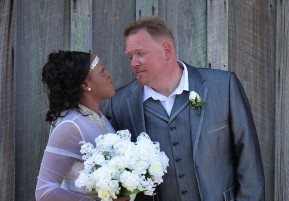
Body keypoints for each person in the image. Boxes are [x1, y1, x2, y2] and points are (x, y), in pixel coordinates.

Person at [106, 17, 265, 201]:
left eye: (140, 53)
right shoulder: (120, 104)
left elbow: (249, 161)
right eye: (130, 56)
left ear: (166, 50)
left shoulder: (223, 86)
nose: (133, 63)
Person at [36, 51, 130, 201]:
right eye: (102, 70)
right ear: (85, 84)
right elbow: (44, 191)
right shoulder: (70, 126)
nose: (109, 74)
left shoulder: (98, 117)